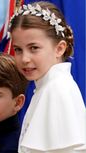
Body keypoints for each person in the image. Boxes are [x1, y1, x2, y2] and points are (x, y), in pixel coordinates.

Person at [9, 1, 86, 152]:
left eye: (34, 48)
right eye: (18, 49)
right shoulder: (46, 88)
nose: (24, 58)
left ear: (59, 49)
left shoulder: (57, 90)